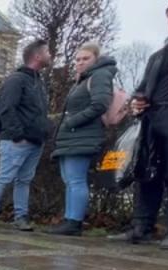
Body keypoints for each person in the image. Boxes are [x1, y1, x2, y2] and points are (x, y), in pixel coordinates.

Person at [114, 1, 168, 249]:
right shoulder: (160, 54)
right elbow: (143, 88)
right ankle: (141, 228)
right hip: (153, 120)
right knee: (146, 174)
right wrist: (138, 103)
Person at [0, 39, 52, 232]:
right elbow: (6, 108)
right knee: (5, 177)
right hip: (17, 140)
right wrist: (17, 134)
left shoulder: (38, 81)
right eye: (47, 51)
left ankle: (21, 216)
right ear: (37, 56)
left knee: (24, 180)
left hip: (35, 140)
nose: (50, 55)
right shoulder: (16, 80)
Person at [48, 43, 118, 236]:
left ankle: (74, 222)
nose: (80, 63)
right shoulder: (82, 79)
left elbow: (100, 104)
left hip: (82, 136)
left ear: (96, 59)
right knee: (70, 180)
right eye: (78, 59)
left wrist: (72, 121)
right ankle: (70, 220)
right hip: (72, 136)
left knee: (76, 180)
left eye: (85, 59)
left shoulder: (100, 76)